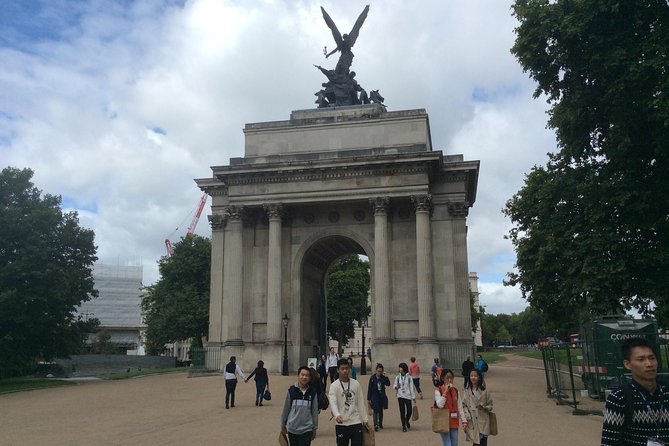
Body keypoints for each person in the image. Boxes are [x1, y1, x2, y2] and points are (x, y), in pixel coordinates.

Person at [601, 337, 669, 445]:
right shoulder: (619, 398)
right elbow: (609, 442)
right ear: (627, 364)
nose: (649, 364)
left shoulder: (666, 393)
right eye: (641, 359)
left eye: (652, 358)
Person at [329, 358, 370, 446]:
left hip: (356, 421)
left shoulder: (356, 384)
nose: (345, 371)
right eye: (342, 369)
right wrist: (337, 415)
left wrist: (365, 419)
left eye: (347, 368)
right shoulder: (334, 386)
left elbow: (360, 402)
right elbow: (333, 402)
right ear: (338, 370)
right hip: (341, 423)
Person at [281, 366, 319, 446]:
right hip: (293, 429)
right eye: (302, 375)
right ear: (298, 376)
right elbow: (286, 408)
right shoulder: (291, 391)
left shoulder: (312, 392)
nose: (304, 377)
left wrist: (314, 428)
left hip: (306, 429)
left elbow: (314, 411)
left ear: (309, 378)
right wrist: (283, 424)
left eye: (307, 375)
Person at [461, 368, 493, 445]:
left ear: (479, 377)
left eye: (475, 376)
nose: (473, 377)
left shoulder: (484, 391)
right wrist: (467, 416)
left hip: (483, 420)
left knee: (483, 442)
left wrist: (485, 408)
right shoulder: (467, 391)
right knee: (475, 442)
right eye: (471, 375)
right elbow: (463, 405)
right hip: (472, 420)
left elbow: (490, 405)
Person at [434, 368, 463, 446]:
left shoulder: (456, 391)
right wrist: (445, 392)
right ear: (443, 378)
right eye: (447, 378)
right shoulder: (438, 390)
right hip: (444, 421)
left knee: (454, 444)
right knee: (448, 444)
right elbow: (440, 405)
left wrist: (464, 420)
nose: (450, 380)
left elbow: (460, 406)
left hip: (454, 422)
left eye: (451, 378)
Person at [394, 362, 417, 432]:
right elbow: (394, 385)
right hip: (400, 396)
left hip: (407, 396)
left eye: (400, 367)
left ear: (403, 368)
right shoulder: (397, 377)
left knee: (409, 410)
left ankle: (406, 420)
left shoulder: (409, 378)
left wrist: (413, 397)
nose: (399, 369)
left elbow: (411, 388)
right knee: (402, 411)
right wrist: (396, 387)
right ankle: (403, 425)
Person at [367, 363, 390, 431]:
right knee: (375, 410)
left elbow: (388, 384)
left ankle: (380, 423)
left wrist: (386, 377)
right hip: (374, 395)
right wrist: (368, 398)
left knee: (380, 410)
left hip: (381, 396)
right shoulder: (372, 378)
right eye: (378, 371)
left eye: (380, 371)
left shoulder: (383, 377)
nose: (379, 373)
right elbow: (369, 389)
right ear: (376, 371)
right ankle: (375, 424)